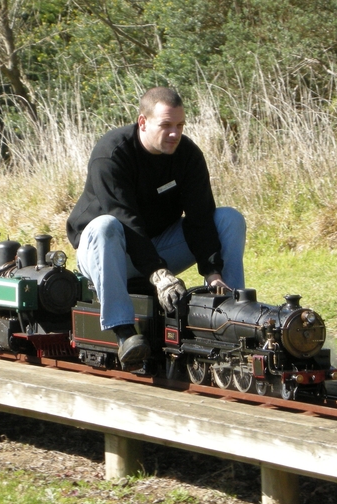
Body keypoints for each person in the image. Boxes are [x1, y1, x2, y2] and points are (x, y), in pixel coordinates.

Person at [66, 87, 246, 371]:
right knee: (105, 226)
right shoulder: (111, 154)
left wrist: (213, 270)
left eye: (179, 125)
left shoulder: (187, 155)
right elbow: (126, 221)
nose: (174, 133)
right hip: (108, 255)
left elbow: (201, 218)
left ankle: (234, 316)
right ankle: (124, 331)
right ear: (143, 122)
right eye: (165, 126)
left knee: (228, 219)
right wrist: (159, 274)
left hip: (157, 247)